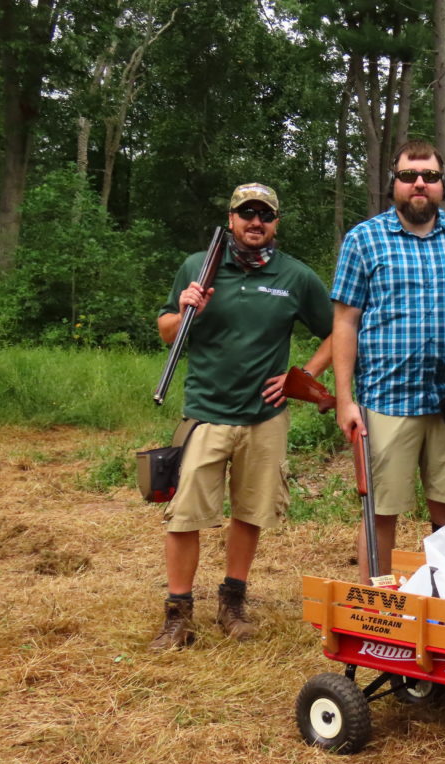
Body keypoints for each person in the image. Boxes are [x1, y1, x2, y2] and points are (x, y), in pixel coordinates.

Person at [151, 182, 334, 650]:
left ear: (276, 222)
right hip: (205, 412)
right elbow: (167, 331)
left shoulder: (295, 276)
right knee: (184, 516)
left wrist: (303, 376)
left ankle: (232, 603)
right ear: (231, 219)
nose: (256, 222)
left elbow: (339, 330)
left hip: (264, 416)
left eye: (265, 215)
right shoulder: (199, 267)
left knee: (250, 512)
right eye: (247, 213)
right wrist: (186, 310)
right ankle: (177, 614)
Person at [331, 140, 445, 584]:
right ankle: (378, 609)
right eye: (409, 175)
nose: (420, 183)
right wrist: (345, 399)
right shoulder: (363, 239)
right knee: (380, 513)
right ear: (393, 183)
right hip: (386, 400)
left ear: (442, 184)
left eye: (430, 176)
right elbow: (345, 322)